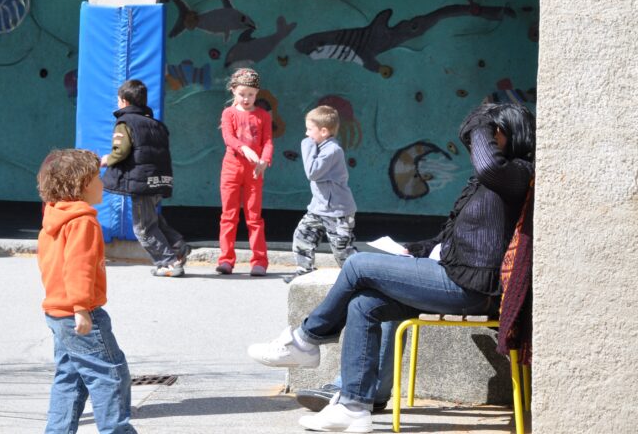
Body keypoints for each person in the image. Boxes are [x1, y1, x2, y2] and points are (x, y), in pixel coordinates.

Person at [247, 102, 535, 433]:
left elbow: (488, 166)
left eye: (487, 134)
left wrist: (481, 119)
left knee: (356, 265)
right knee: (365, 304)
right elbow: (455, 237)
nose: (477, 142)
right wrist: (414, 249)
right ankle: (354, 406)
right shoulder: (494, 182)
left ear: (505, 134)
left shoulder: (517, 173)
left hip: (469, 288)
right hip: (455, 276)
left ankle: (305, 340)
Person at [37, 149, 136, 434]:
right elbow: (78, 267)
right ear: (80, 184)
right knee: (111, 374)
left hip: (57, 313)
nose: (102, 183)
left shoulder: (53, 218)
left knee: (69, 378)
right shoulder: (83, 222)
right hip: (80, 314)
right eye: (97, 178)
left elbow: (51, 265)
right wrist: (81, 308)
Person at [100, 79, 190, 277]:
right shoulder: (156, 125)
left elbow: (121, 151)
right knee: (154, 220)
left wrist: (108, 159)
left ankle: (168, 262)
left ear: (123, 101)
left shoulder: (125, 122)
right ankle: (178, 247)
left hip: (141, 183)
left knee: (143, 228)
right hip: (159, 180)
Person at [288, 105, 358, 278]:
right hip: (318, 209)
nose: (307, 134)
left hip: (337, 212)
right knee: (302, 236)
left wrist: (306, 145)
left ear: (324, 131)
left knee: (342, 250)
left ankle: (362, 276)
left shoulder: (332, 150)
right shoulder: (321, 147)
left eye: (310, 129)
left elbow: (312, 172)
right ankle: (304, 272)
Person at [217, 67, 274, 276]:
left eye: (251, 94)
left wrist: (265, 160)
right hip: (232, 168)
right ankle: (226, 259)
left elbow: (268, 141)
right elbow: (228, 138)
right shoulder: (229, 113)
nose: (246, 98)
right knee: (229, 215)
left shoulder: (262, 115)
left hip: (254, 171)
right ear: (233, 91)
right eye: (242, 94)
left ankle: (259, 261)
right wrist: (244, 148)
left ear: (257, 93)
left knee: (254, 217)